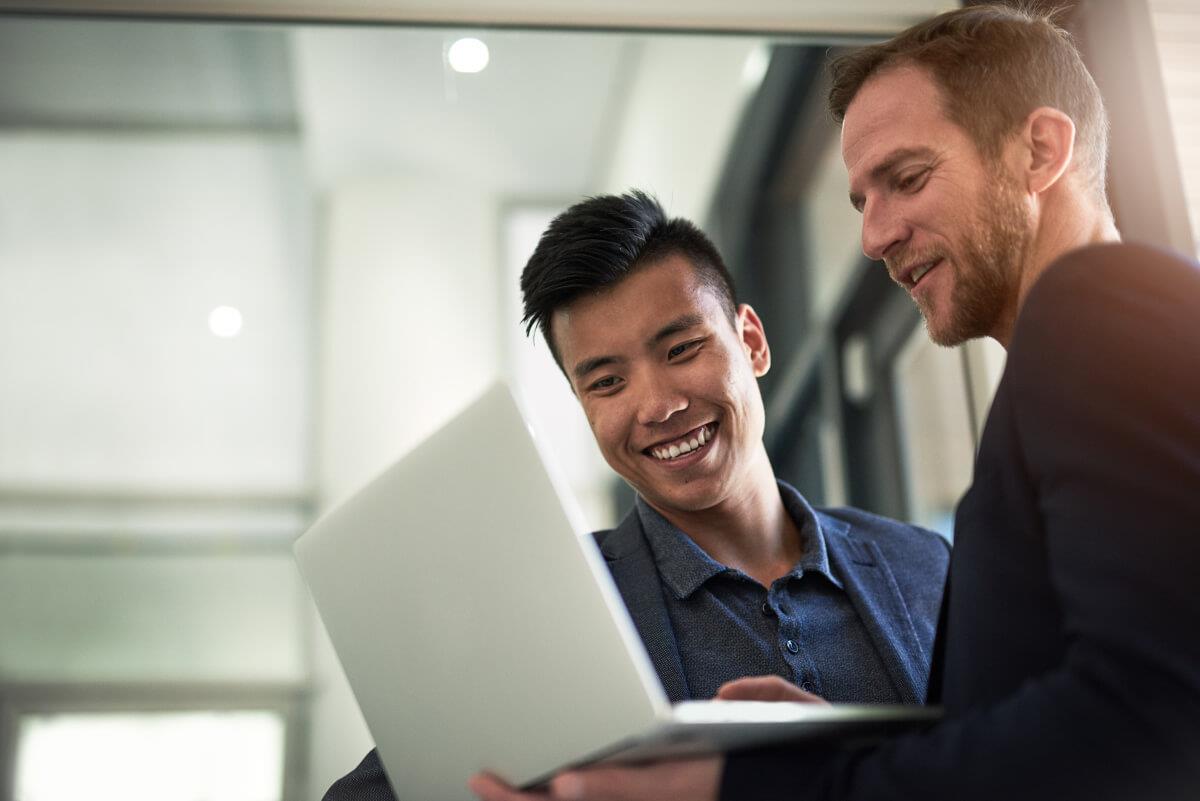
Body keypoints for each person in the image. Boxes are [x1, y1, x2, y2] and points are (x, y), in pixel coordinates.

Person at [469, 5, 1200, 801]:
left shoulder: (1095, 305)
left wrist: (742, 787)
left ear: (1041, 150)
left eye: (907, 178)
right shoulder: (1066, 364)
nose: (874, 236)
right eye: (860, 201)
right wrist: (838, 744)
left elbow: (1150, 720)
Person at [322, 191, 950, 801]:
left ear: (751, 342)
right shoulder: (551, 617)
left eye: (681, 349)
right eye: (607, 382)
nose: (658, 406)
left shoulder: (929, 567)